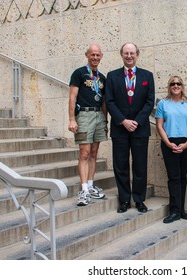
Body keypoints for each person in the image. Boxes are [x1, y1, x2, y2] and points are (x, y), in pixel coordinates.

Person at [105, 42, 155, 213]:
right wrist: (123, 121)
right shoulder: (112, 76)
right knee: (121, 166)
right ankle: (124, 200)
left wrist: (137, 121)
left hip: (140, 129)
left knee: (140, 165)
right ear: (121, 55)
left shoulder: (147, 76)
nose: (129, 56)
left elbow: (150, 102)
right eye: (126, 53)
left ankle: (139, 200)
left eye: (132, 53)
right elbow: (109, 101)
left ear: (137, 54)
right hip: (120, 128)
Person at [155, 76, 187, 223]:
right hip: (169, 142)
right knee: (173, 177)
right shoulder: (163, 104)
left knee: (182, 176)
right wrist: (167, 142)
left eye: (178, 83)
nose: (175, 85)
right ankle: (174, 211)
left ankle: (181, 210)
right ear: (169, 86)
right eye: (173, 83)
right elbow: (159, 125)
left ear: (182, 86)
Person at [68, 43, 107, 206]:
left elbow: (104, 102)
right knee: (84, 153)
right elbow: (72, 97)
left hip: (98, 115)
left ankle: (90, 186)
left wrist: (106, 120)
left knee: (93, 153)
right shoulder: (79, 73)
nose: (95, 57)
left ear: (101, 56)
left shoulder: (102, 78)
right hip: (83, 115)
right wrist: (72, 119)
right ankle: (83, 190)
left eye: (98, 55)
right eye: (92, 54)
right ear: (87, 55)